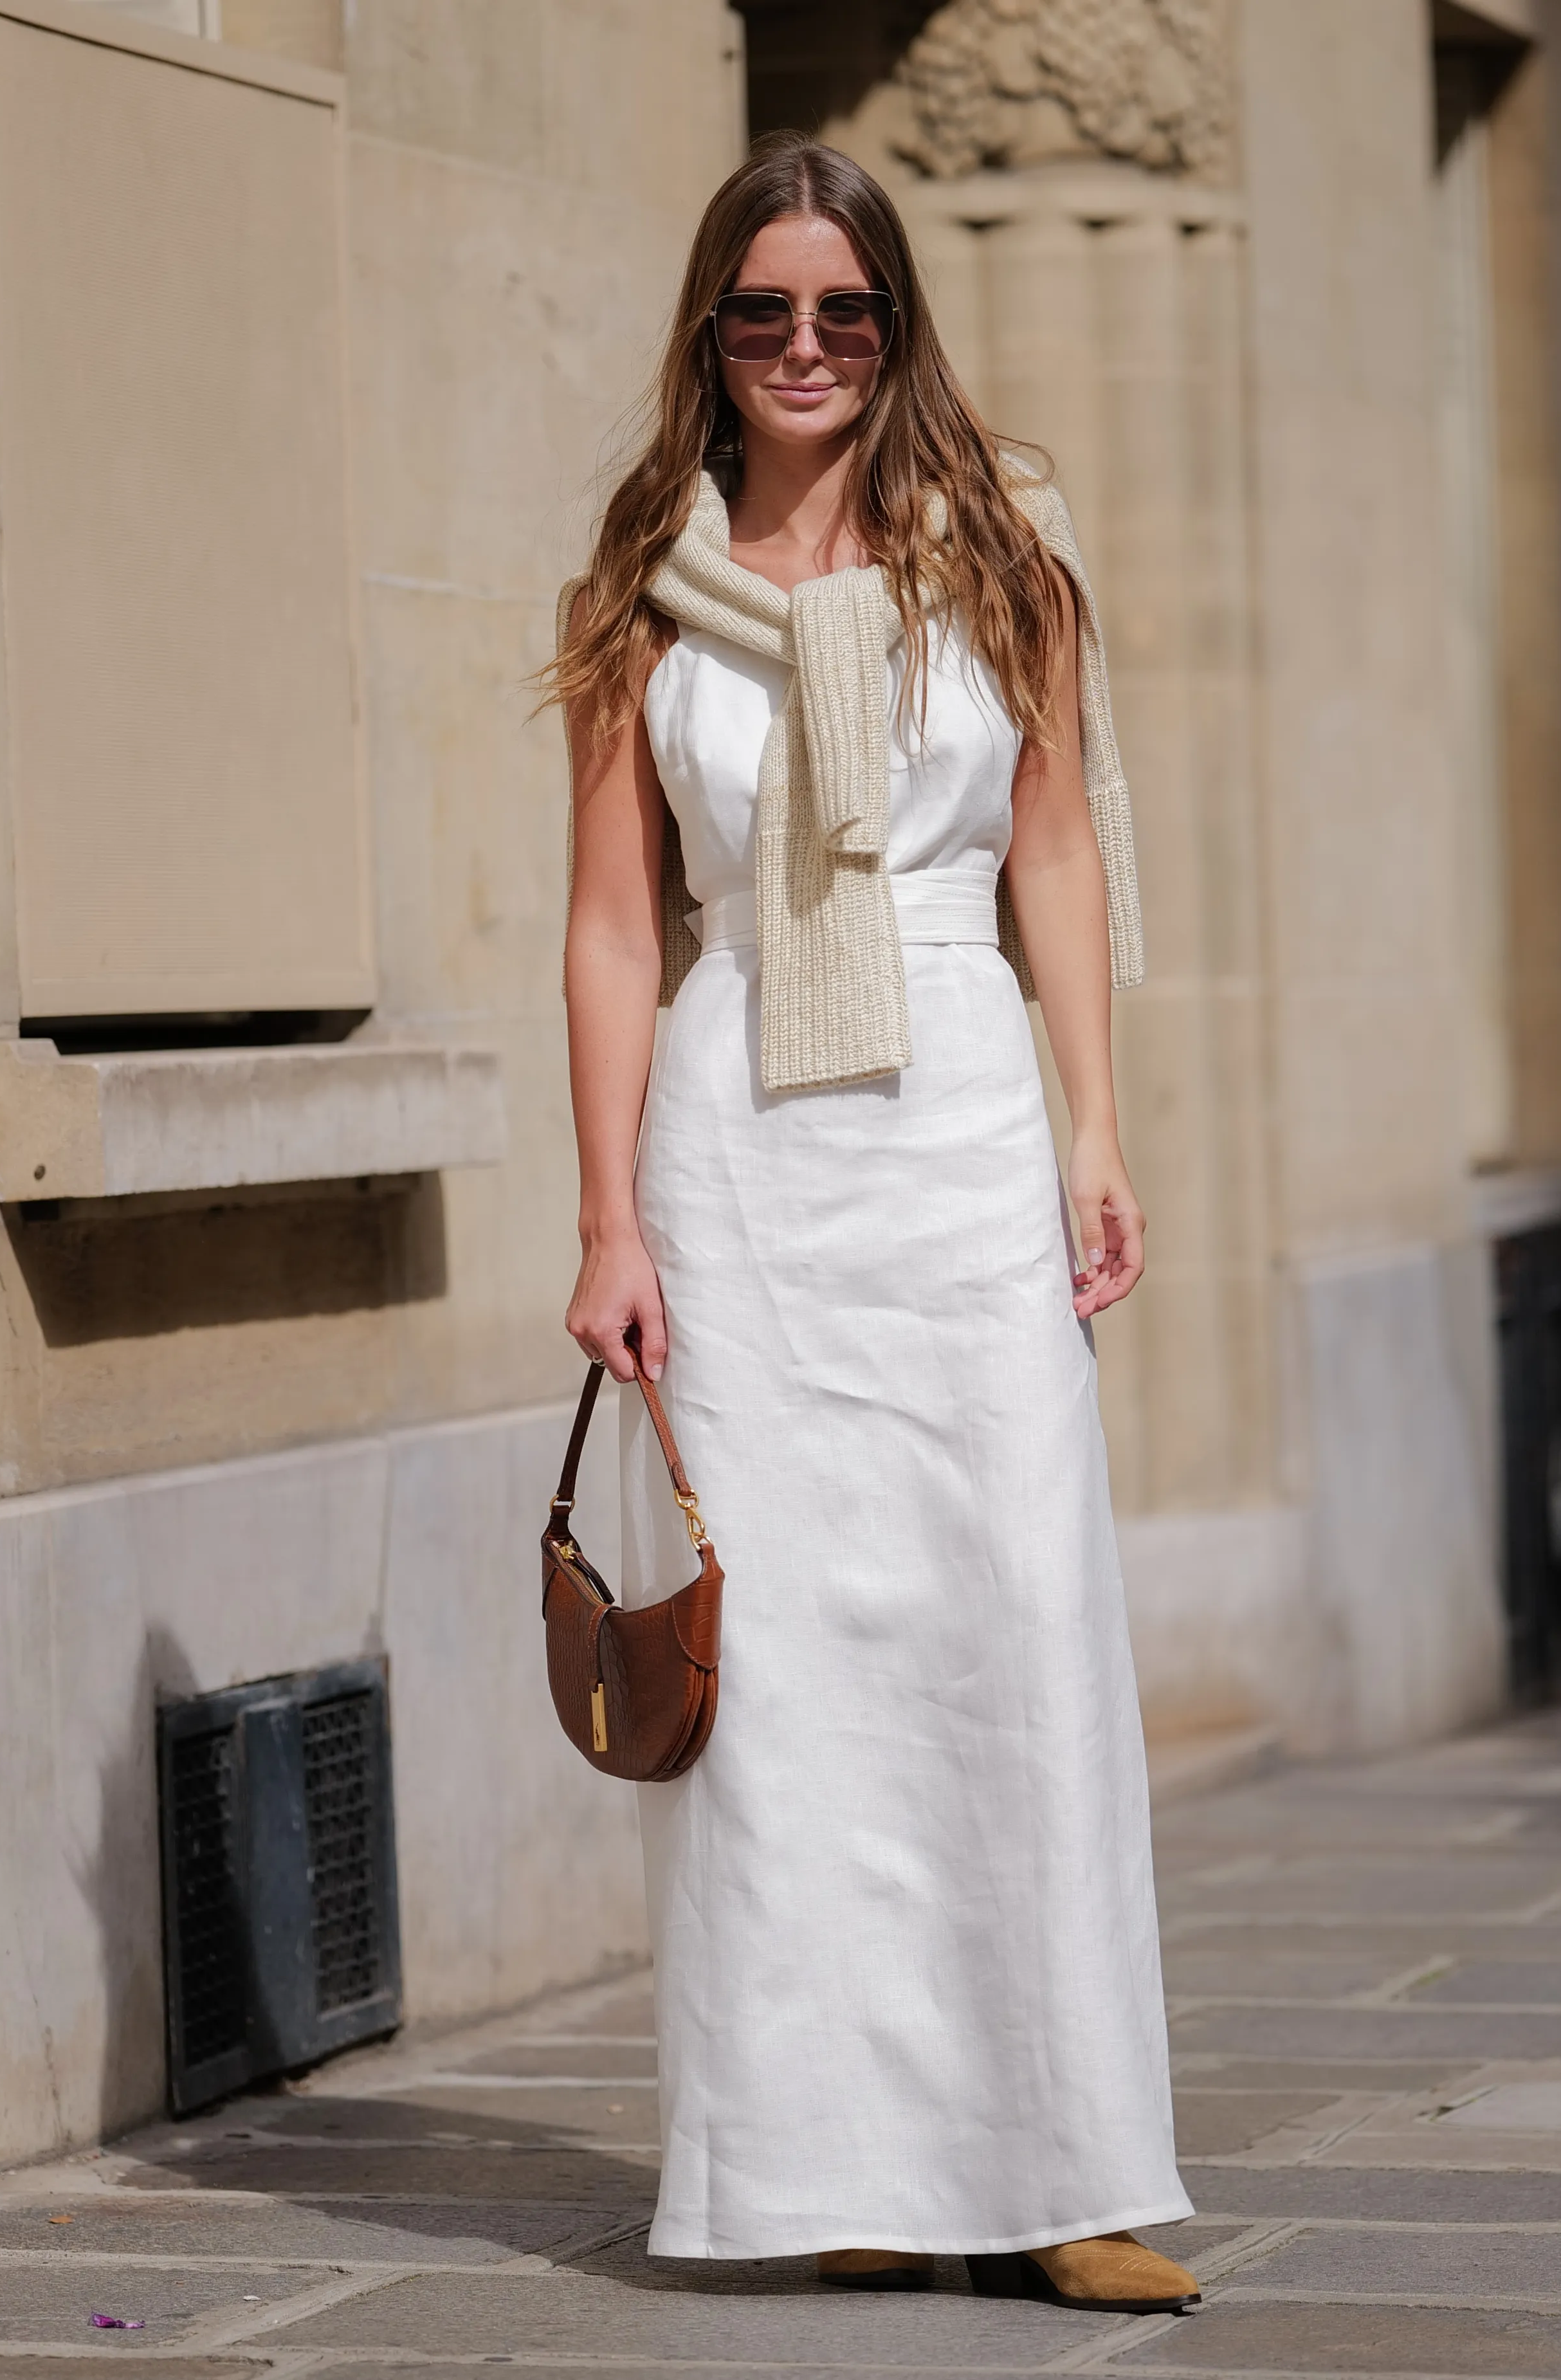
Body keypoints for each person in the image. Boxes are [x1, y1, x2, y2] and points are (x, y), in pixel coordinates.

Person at [543, 133, 1198, 2313]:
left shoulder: (999, 552)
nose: (805, 346)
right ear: (710, 340)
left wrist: (1095, 1127)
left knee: (1017, 1627)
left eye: (845, 310)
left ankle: (1072, 2167)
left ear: (895, 331)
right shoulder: (647, 589)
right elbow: (617, 933)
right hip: (743, 1157)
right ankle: (835, 2157)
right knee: (800, 1673)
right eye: (763, 312)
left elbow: (1053, 856)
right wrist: (607, 1218)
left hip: (956, 1116)